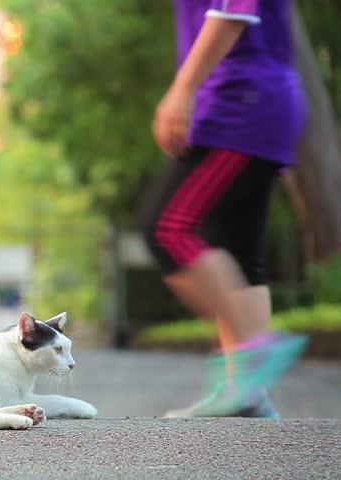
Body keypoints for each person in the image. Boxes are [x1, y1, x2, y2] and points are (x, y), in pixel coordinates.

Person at [141, 0, 308, 418]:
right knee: (235, 248)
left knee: (166, 228)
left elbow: (234, 10)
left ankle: (254, 351)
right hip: (258, 104)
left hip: (241, 106)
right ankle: (246, 394)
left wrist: (182, 90)